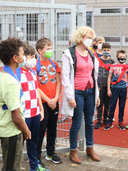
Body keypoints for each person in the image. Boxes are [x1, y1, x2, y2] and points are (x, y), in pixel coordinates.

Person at [60, 26, 101, 164]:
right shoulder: (69, 53)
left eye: (91, 38)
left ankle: (90, 148)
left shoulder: (91, 54)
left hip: (90, 91)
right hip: (77, 92)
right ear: (80, 38)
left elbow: (93, 75)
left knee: (89, 122)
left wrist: (97, 95)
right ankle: (73, 151)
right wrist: (70, 97)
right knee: (77, 123)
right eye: (87, 38)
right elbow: (65, 76)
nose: (90, 40)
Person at [0, 37, 31, 171]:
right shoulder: (12, 83)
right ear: (15, 58)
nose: (25, 57)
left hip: (6, 126)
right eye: (22, 55)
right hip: (11, 131)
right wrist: (26, 131)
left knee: (9, 162)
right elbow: (15, 117)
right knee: (12, 166)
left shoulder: (4, 75)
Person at [17, 44, 49, 171]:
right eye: (31, 57)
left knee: (33, 142)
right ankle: (16, 167)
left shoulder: (32, 71)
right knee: (20, 144)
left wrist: (41, 108)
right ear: (23, 58)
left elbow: (36, 90)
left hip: (35, 112)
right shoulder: (18, 73)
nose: (34, 60)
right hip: (24, 115)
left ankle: (34, 167)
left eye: (34, 57)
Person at [35, 38, 62, 168]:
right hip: (43, 103)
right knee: (41, 130)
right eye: (48, 48)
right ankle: (36, 156)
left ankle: (50, 153)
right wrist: (48, 100)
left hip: (54, 101)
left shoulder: (54, 64)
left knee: (53, 128)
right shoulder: (35, 65)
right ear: (40, 51)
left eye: (51, 48)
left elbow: (58, 82)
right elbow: (36, 87)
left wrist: (56, 99)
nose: (51, 50)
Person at [105, 49, 128, 130]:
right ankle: (109, 122)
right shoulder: (113, 66)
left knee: (122, 106)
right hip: (114, 88)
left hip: (123, 89)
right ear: (117, 57)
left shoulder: (127, 67)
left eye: (123, 57)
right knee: (112, 106)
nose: (122, 58)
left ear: (126, 57)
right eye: (120, 57)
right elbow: (109, 78)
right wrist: (108, 89)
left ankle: (120, 122)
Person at [94, 43, 115, 129]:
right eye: (104, 50)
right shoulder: (97, 60)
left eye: (108, 50)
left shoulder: (112, 62)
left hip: (108, 87)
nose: (106, 52)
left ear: (110, 51)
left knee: (107, 104)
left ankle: (105, 119)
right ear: (101, 50)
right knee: (99, 104)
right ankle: (99, 120)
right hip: (100, 86)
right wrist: (96, 85)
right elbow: (94, 73)